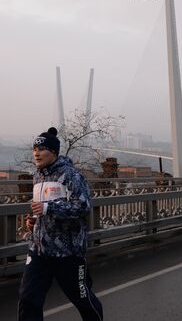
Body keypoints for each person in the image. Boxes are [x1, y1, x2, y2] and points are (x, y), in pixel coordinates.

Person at [18, 127, 103, 320]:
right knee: (28, 299)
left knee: (83, 300)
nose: (36, 153)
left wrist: (48, 208)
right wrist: (35, 222)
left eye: (41, 149)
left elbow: (83, 206)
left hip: (68, 252)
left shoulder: (72, 175)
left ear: (54, 152)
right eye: (34, 149)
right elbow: (42, 209)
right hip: (39, 251)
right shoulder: (37, 176)